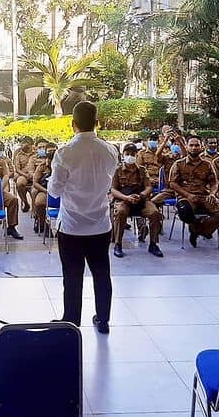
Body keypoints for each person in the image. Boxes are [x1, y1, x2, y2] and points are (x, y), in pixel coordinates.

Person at [48, 101, 118, 334]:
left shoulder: (65, 152)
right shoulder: (110, 150)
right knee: (102, 273)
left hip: (72, 227)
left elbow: (55, 190)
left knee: (72, 276)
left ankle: (71, 322)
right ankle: (104, 319)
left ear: (72, 124)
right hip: (100, 224)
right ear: (97, 123)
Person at [169, 135, 219, 248]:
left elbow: (213, 183)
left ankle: (200, 231)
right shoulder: (178, 164)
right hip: (186, 197)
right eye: (191, 145)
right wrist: (188, 195)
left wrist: (212, 194)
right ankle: (196, 226)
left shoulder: (207, 164)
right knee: (184, 211)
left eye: (197, 145)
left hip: (204, 196)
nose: (194, 148)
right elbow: (172, 183)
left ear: (202, 147)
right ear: (186, 147)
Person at [111, 143, 163, 258]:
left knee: (155, 213)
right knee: (120, 212)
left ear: (136, 155)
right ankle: (118, 244)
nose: (130, 156)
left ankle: (153, 244)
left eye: (132, 154)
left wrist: (141, 195)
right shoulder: (117, 170)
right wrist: (125, 198)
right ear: (123, 155)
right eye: (127, 154)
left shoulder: (142, 170)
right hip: (123, 200)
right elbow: (113, 189)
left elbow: (149, 187)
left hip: (141, 200)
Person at [152, 129, 184, 207]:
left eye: (177, 144)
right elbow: (157, 155)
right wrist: (165, 140)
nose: (176, 146)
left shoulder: (185, 158)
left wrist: (179, 141)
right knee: (152, 202)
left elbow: (185, 154)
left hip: (184, 189)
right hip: (169, 190)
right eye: (174, 143)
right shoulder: (167, 157)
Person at [32, 142, 58, 234]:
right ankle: (42, 223)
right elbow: (35, 183)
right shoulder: (42, 166)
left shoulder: (64, 165)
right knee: (39, 203)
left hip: (61, 191)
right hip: (45, 190)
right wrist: (45, 191)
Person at [12, 136, 36, 212]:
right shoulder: (18, 155)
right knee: (20, 183)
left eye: (23, 144)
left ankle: (35, 206)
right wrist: (26, 175)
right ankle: (25, 202)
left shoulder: (36, 153)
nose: (21, 145)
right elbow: (17, 169)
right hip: (24, 174)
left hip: (36, 173)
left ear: (28, 144)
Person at [26, 138, 49, 207]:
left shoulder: (51, 157)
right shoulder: (33, 158)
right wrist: (38, 177)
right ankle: (34, 209)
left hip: (50, 181)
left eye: (44, 147)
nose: (42, 149)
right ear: (36, 149)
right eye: (40, 147)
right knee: (34, 191)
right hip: (37, 181)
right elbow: (30, 172)